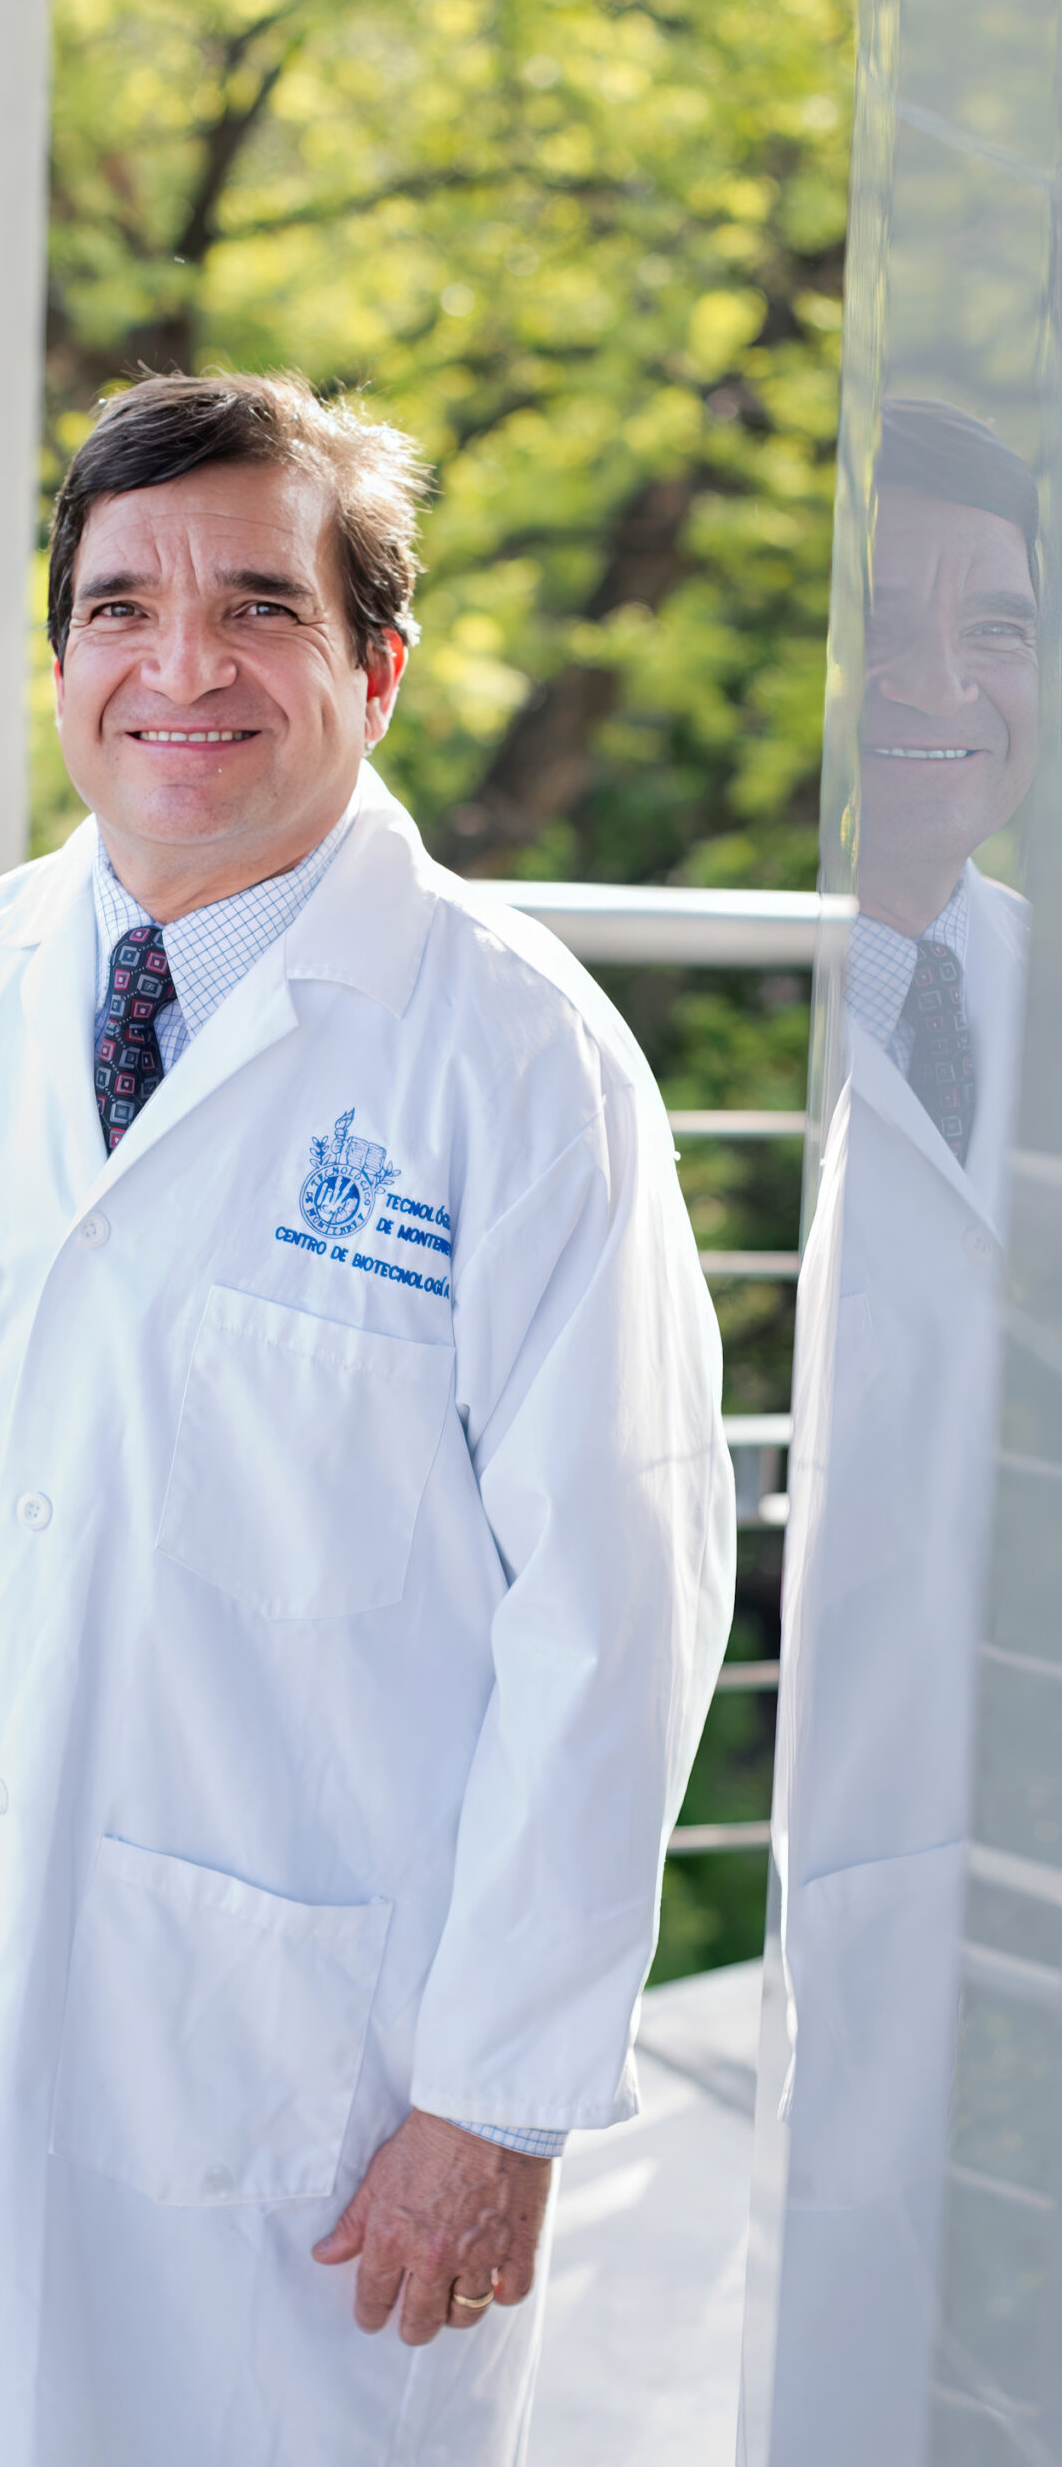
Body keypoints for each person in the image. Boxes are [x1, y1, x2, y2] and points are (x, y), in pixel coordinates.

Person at [0, 370, 735, 2467]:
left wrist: (494, 2092)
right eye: (117, 605)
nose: (180, 665)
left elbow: (621, 1606)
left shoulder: (518, 1065)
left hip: (321, 2081)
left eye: (259, 606)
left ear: (378, 668)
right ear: (58, 656)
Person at [760, 399, 1036, 2463]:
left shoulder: (1030, 984)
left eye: (1001, 623)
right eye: (891, 620)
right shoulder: (727, 1016)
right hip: (820, 1842)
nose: (945, 680)